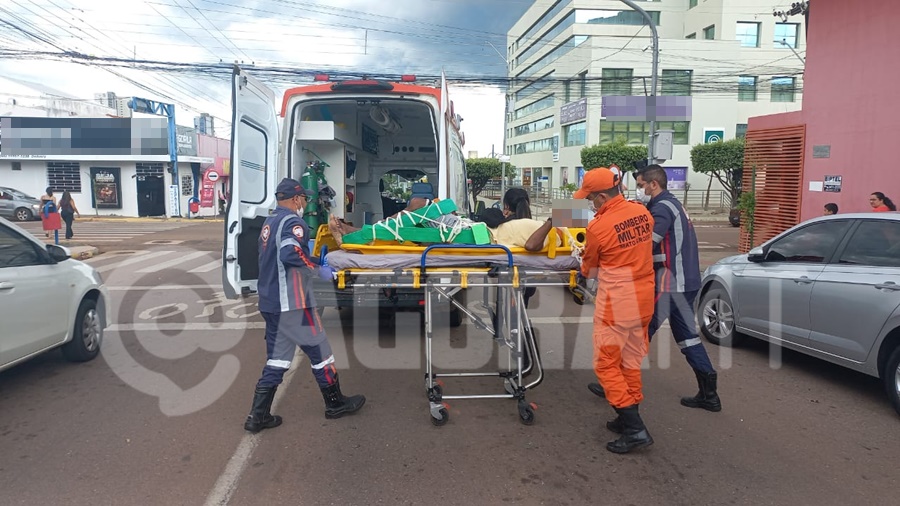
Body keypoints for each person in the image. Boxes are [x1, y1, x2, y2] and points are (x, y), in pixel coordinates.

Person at [243, 178, 365, 433]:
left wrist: (310, 260)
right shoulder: (293, 223)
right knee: (321, 352)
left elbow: (282, 254)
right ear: (296, 199)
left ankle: (258, 416)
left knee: (277, 359)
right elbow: (289, 253)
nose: (305, 203)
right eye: (304, 199)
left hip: (271, 302)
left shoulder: (270, 222)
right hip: (293, 304)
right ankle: (335, 404)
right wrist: (317, 270)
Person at [594, 165, 720, 412]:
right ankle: (709, 394)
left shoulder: (661, 208)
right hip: (686, 281)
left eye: (641, 185)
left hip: (669, 280)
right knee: (687, 338)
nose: (639, 190)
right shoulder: (671, 203)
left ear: (653, 184)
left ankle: (614, 382)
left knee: (638, 329)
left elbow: (643, 243)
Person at [575, 167, 656, 454]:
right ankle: (627, 417)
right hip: (644, 297)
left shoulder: (598, 227)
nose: (588, 204)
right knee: (629, 361)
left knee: (606, 365)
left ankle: (634, 428)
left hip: (618, 302)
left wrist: (581, 259)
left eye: (589, 199)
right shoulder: (642, 213)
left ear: (600, 197)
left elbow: (589, 269)